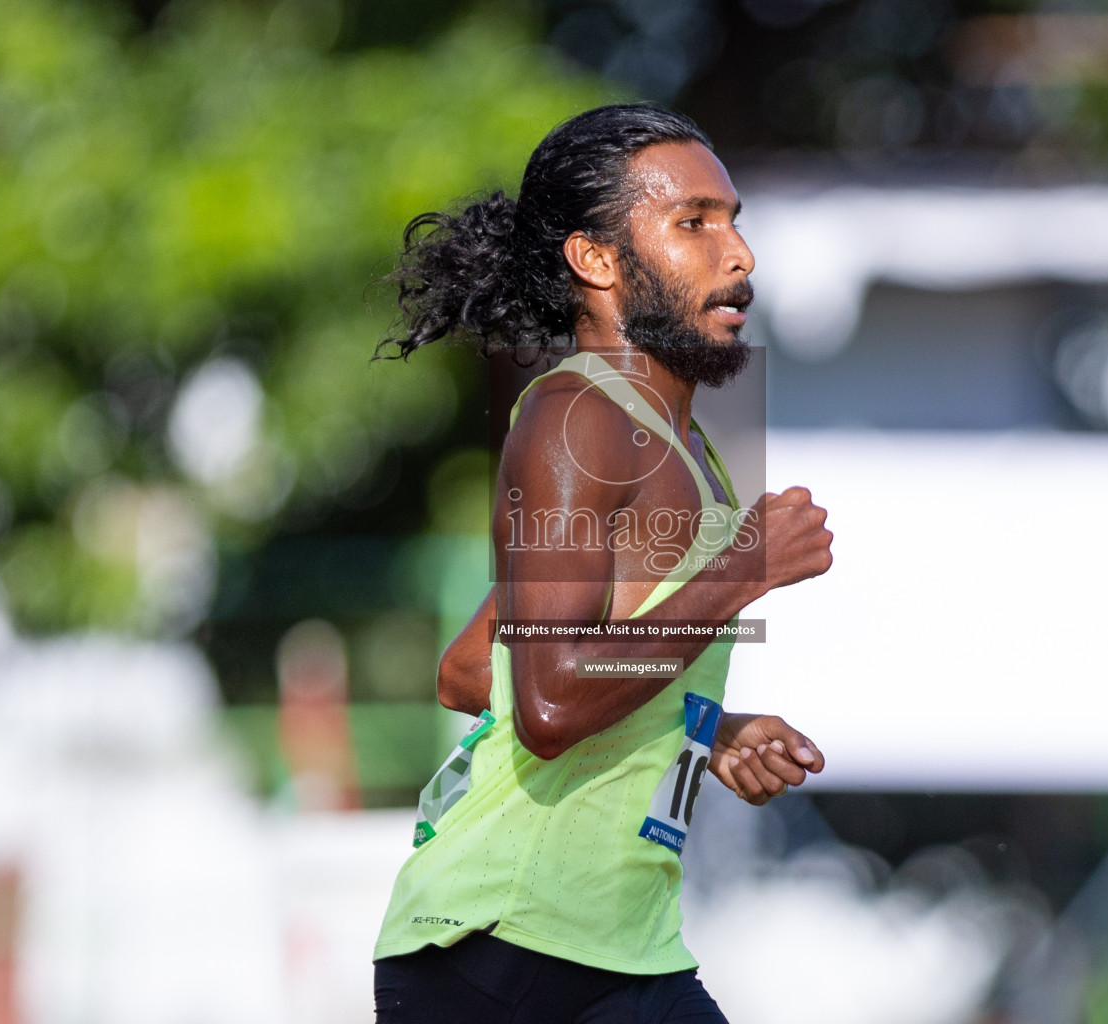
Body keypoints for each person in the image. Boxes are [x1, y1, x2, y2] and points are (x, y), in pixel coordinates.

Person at [371, 104, 834, 1023]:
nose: (738, 254)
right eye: (693, 223)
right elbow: (546, 705)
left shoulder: (686, 447)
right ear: (597, 261)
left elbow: (473, 672)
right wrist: (740, 574)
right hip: (504, 949)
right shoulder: (577, 421)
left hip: (618, 948)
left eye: (734, 219)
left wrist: (705, 726)